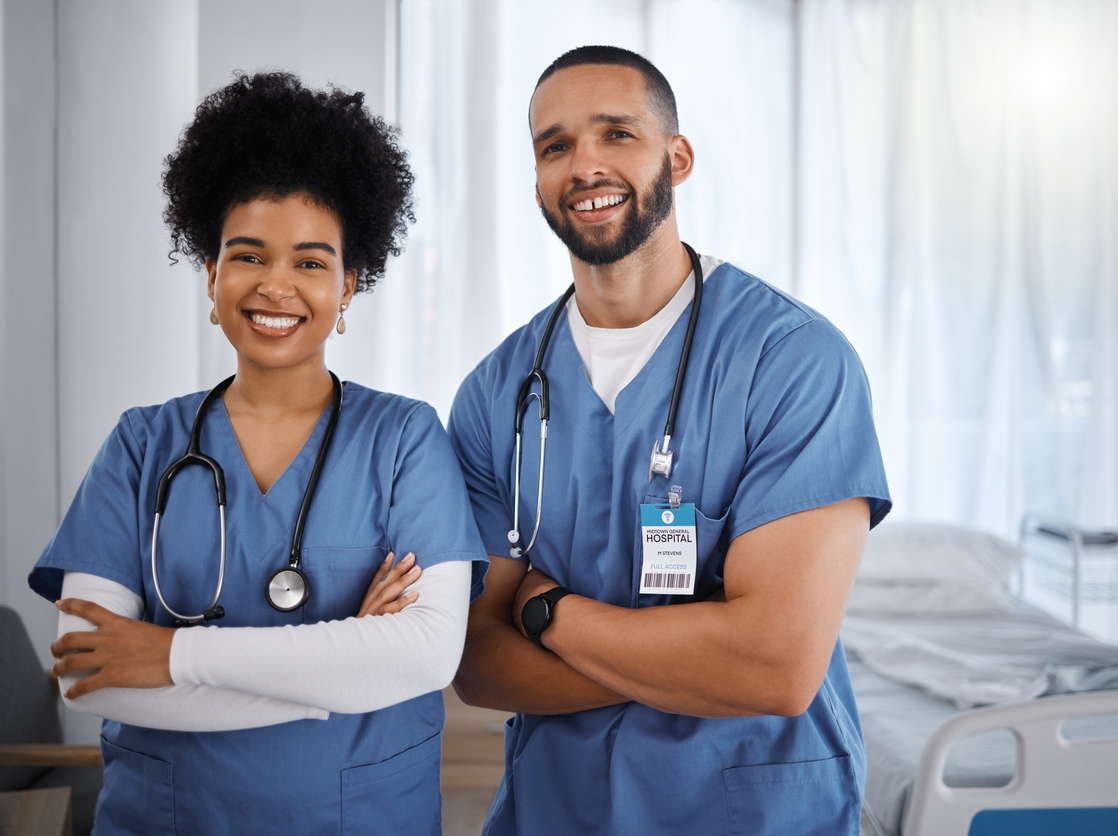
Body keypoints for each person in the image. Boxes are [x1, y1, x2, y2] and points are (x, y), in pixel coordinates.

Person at [448, 46, 892, 835]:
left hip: (752, 811)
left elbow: (776, 667)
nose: (583, 164)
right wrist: (694, 659)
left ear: (676, 158)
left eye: (616, 133)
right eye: (554, 147)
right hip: (557, 809)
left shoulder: (791, 360)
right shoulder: (496, 394)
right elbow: (477, 663)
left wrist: (550, 615)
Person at [28, 72, 488, 835]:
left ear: (349, 287)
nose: (276, 286)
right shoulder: (141, 445)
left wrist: (170, 657)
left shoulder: (405, 439)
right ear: (211, 277)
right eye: (248, 256)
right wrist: (336, 680)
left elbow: (425, 656)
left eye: (311, 262)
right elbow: (89, 673)